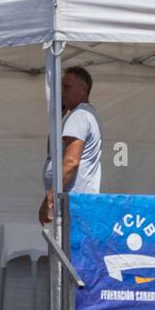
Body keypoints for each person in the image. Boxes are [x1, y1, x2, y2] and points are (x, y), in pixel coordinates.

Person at [40, 67, 101, 224]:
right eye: (61, 87)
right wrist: (60, 115)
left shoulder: (79, 116)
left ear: (83, 89)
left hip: (71, 205)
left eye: (67, 87)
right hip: (75, 203)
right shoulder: (83, 114)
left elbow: (71, 162)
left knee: (66, 248)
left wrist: (49, 200)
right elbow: (52, 151)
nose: (62, 92)